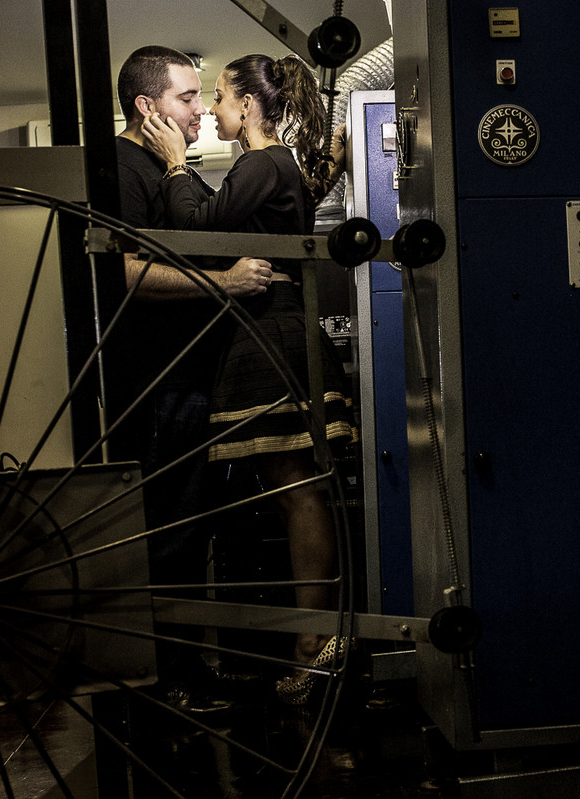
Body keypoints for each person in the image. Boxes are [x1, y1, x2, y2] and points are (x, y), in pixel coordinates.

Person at [139, 53, 355, 705]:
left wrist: (175, 165)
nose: (212, 108)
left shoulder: (262, 162)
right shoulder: (270, 165)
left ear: (248, 104)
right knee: (294, 489)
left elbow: (199, 231)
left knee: (296, 490)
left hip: (273, 332)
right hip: (272, 329)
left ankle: (315, 644)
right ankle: (316, 639)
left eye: (220, 95)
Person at [113, 45, 274, 710]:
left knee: (195, 527)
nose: (202, 109)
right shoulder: (122, 169)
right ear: (146, 106)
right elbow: (122, 271)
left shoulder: (167, 167)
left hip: (192, 377)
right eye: (186, 98)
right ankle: (170, 681)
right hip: (162, 383)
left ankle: (190, 668)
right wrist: (224, 283)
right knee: (171, 533)